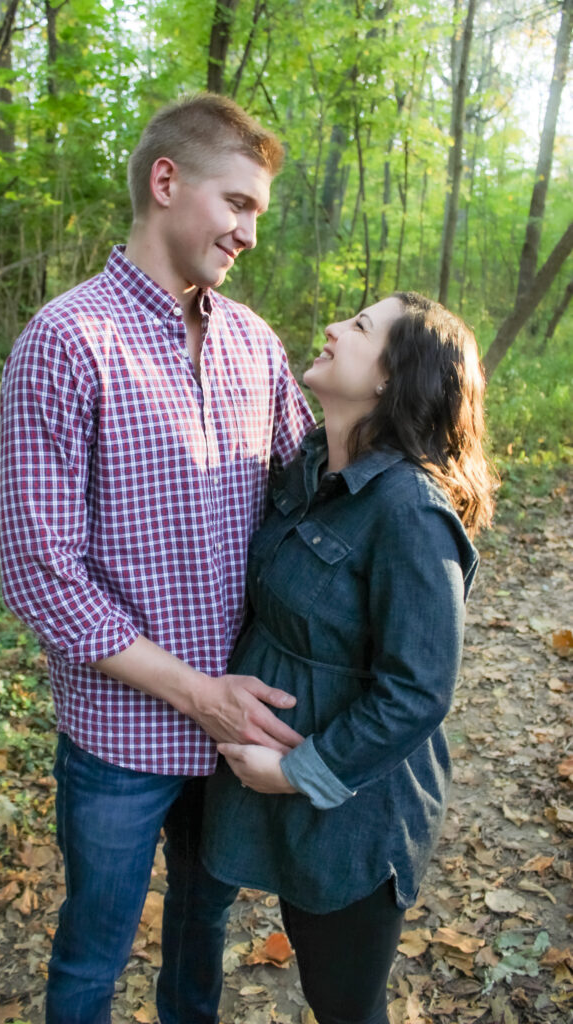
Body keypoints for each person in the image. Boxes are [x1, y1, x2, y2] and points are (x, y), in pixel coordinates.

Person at [0, 92, 314, 1024]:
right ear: (167, 181)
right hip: (117, 740)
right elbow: (40, 573)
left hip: (233, 736)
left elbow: (307, 505)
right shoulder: (66, 340)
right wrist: (196, 692)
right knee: (92, 954)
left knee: (201, 939)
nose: (249, 232)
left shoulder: (254, 342)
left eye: (258, 212)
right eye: (239, 204)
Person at [201, 292, 497, 1024]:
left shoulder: (406, 511)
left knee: (343, 1005)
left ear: (391, 378)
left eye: (360, 327)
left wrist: (294, 773)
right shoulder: (306, 468)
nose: (332, 327)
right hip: (266, 789)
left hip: (354, 807)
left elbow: (419, 691)